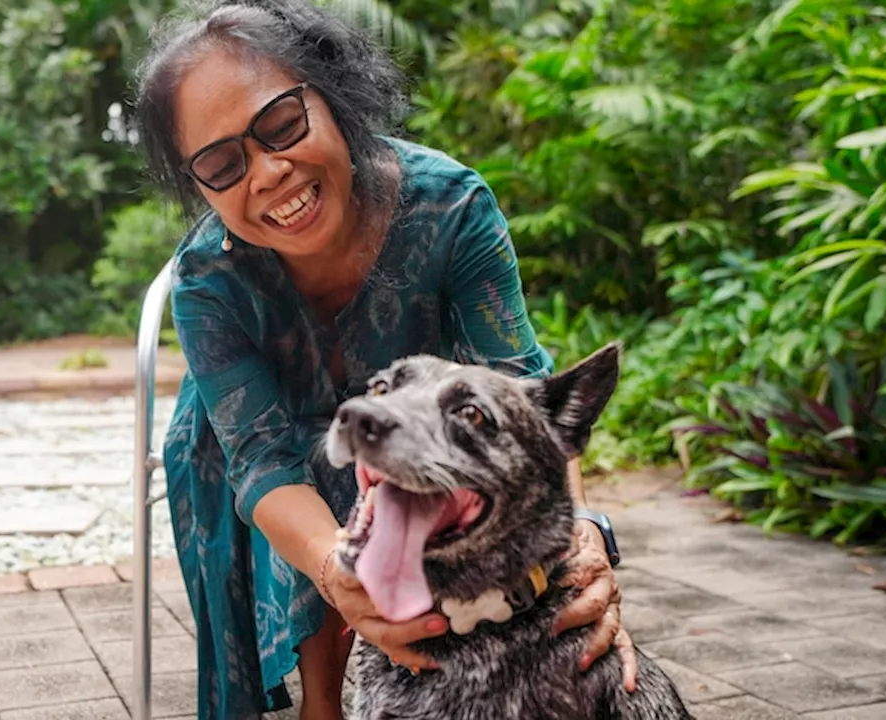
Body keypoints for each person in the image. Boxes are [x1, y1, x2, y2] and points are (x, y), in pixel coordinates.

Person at [132, 1, 637, 717]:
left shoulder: (452, 207)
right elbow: (261, 457)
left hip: (418, 419)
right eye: (221, 163)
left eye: (281, 124)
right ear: (199, 185)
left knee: (386, 442)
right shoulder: (208, 278)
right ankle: (322, 702)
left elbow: (524, 392)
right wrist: (342, 573)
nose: (269, 172)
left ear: (333, 97)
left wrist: (578, 535)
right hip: (243, 443)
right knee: (317, 457)